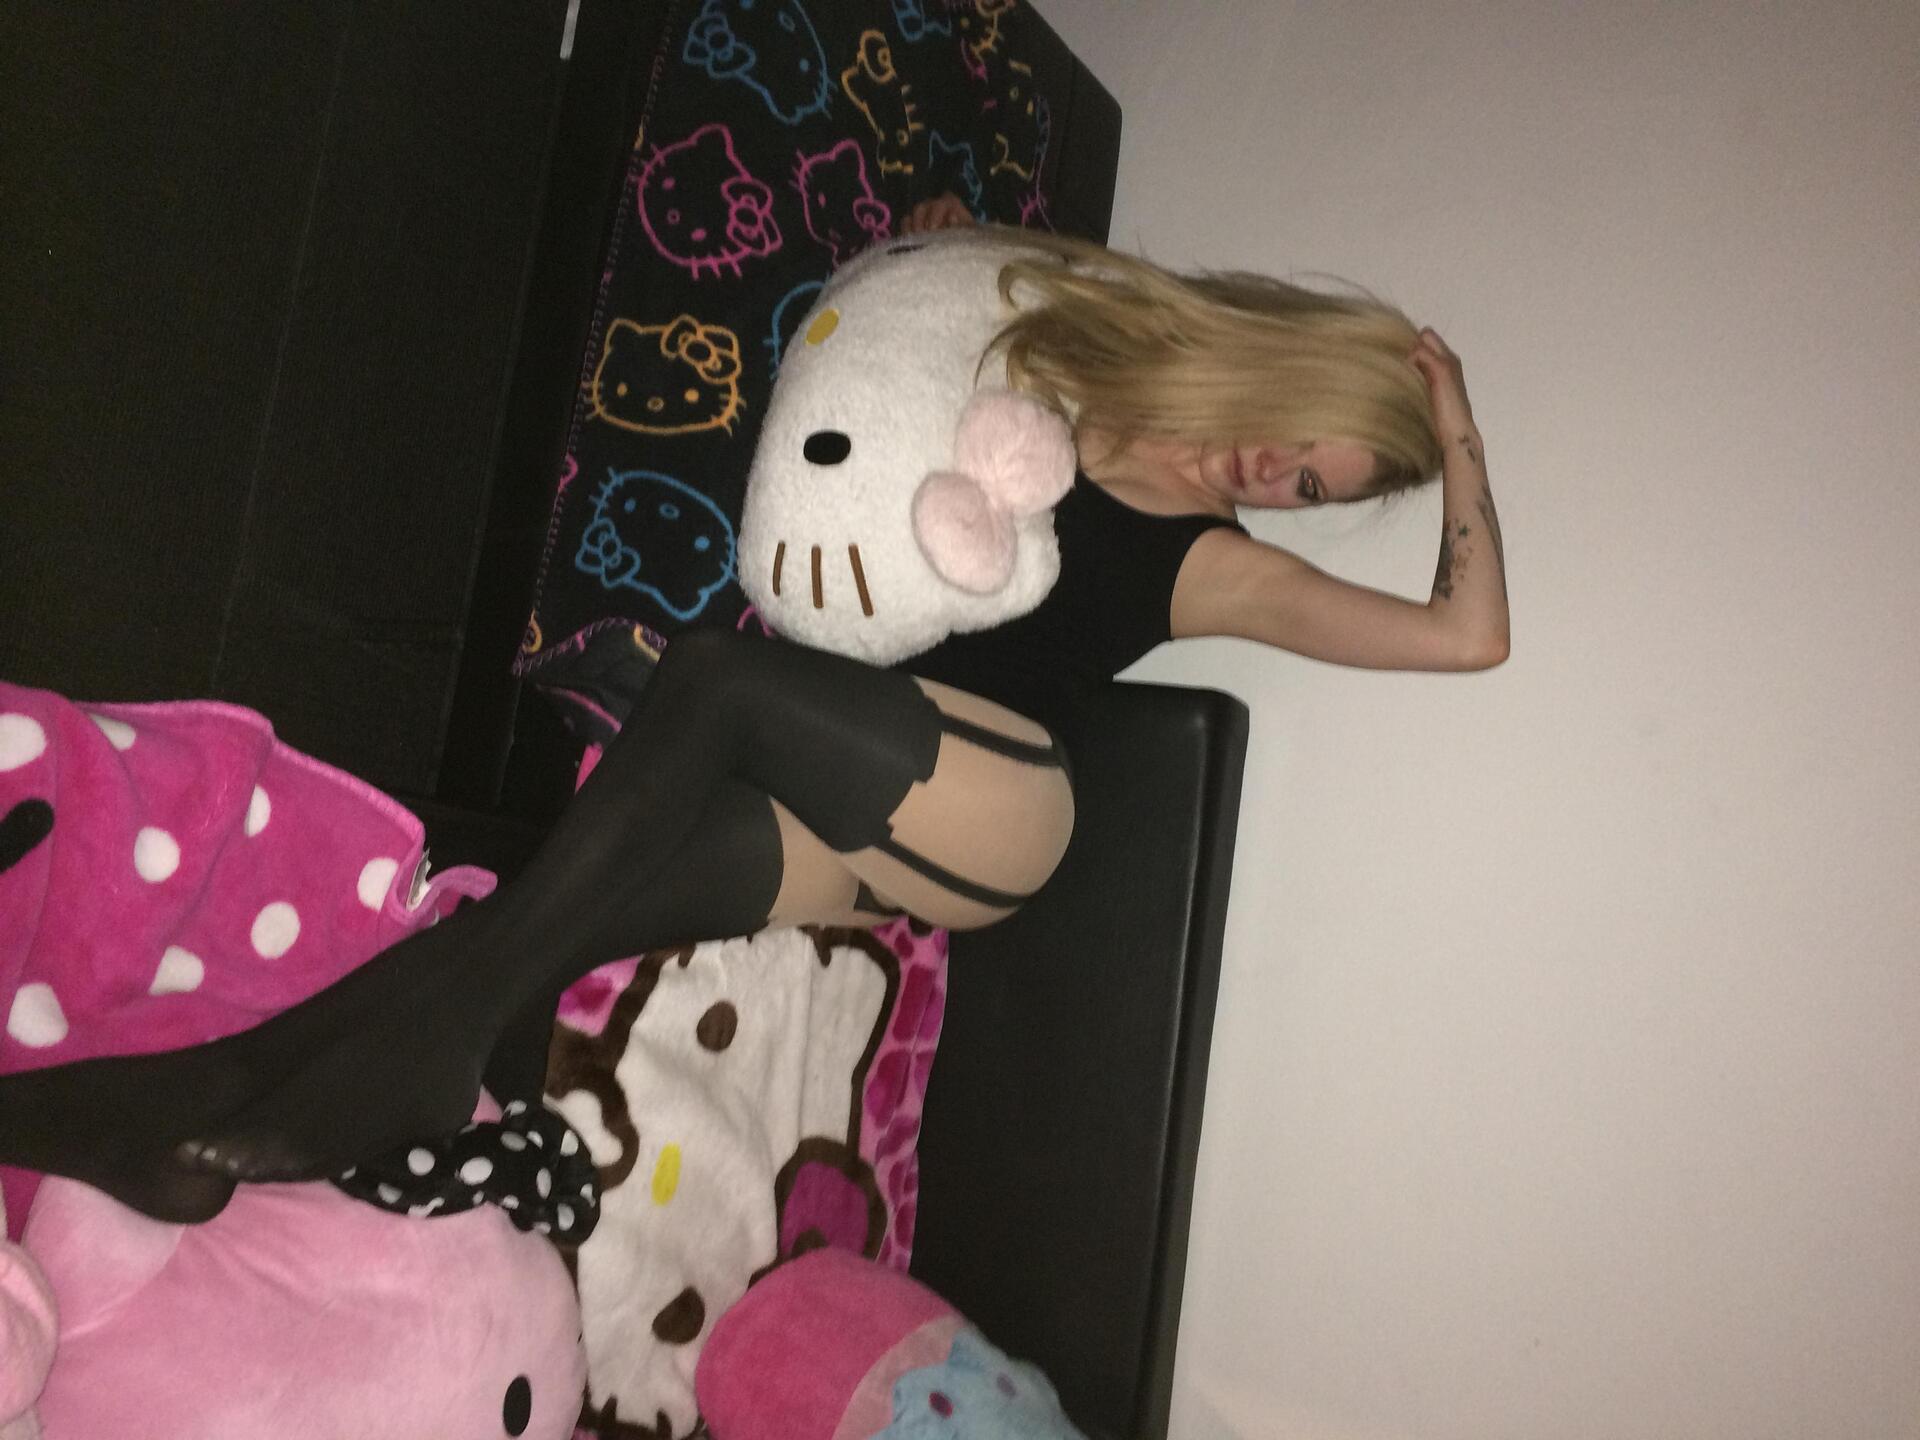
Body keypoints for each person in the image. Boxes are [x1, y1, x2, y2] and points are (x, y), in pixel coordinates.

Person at [0, 201, 1507, 1224]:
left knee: (712, 682)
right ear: (1286, 360)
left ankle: (436, 1052)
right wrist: (935, 239)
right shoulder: (1082, 337)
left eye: (1315, 492)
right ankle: (168, 1114)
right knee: (541, 915)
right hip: (837, 817)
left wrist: (1455, 436)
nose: (1279, 482)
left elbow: (1466, 637)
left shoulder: (1223, 567)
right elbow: (909, 293)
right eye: (1307, 446)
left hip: (995, 807)